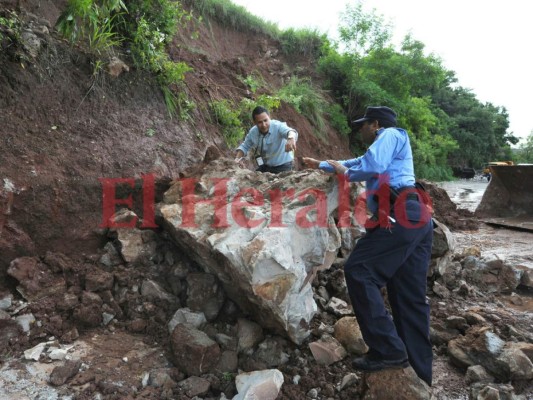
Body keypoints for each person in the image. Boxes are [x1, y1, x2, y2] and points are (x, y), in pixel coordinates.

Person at [302, 106, 434, 386]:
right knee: (407, 295)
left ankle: (389, 350)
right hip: (417, 216)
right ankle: (420, 375)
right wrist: (323, 165)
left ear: (375, 125)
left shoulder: (391, 135)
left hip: (402, 212)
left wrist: (344, 173)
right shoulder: (385, 146)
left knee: (359, 271)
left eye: (363, 125)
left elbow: (368, 166)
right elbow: (358, 161)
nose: (360, 129)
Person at [235, 106, 298, 173]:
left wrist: (291, 138)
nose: (264, 125)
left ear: (269, 117)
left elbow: (291, 131)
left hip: (284, 166)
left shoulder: (278, 126)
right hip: (266, 166)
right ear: (254, 122)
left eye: (265, 120)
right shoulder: (253, 132)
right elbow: (245, 146)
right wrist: (237, 159)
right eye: (260, 122)